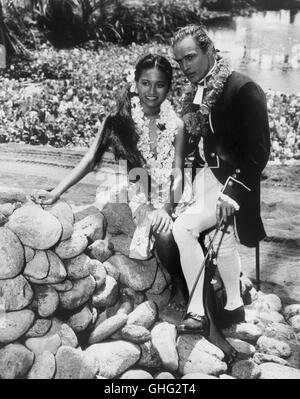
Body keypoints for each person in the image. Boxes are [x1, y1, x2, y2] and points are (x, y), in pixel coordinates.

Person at [31, 53, 188, 310]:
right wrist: (56, 191)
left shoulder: (176, 124)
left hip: (173, 189)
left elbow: (178, 171)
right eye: (145, 83)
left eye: (160, 84)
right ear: (135, 83)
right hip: (140, 189)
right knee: (165, 234)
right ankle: (179, 281)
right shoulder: (118, 120)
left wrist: (167, 208)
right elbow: (90, 159)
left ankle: (187, 276)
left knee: (179, 226)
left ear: (169, 87)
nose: (152, 91)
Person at [171, 25, 270, 335]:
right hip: (207, 174)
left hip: (233, 181)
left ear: (209, 50)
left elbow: (259, 151)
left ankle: (197, 311)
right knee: (222, 238)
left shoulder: (243, 89)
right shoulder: (194, 90)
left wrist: (233, 193)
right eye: (180, 62)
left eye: (190, 57)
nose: (185, 67)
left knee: (183, 228)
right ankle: (233, 306)